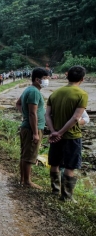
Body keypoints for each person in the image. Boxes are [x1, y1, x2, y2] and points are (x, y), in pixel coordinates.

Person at [45, 66, 88, 202]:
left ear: (67, 76)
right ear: (82, 79)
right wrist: (61, 132)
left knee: (55, 164)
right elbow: (76, 118)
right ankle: (67, 196)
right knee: (70, 166)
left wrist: (53, 132)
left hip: (55, 136)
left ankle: (55, 190)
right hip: (72, 137)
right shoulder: (82, 94)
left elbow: (47, 115)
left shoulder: (55, 94)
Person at [15, 68, 49, 189]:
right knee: (30, 156)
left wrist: (24, 114)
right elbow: (32, 113)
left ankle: (23, 179)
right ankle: (27, 181)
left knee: (25, 154)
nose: (47, 81)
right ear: (37, 79)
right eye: (45, 78)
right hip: (32, 129)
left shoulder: (28, 89)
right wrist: (35, 133)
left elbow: (18, 104)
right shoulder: (34, 92)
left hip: (27, 126)